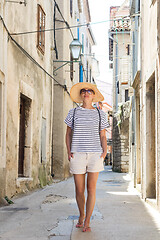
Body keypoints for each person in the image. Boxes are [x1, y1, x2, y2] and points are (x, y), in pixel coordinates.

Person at [64, 82, 109, 232]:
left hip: (95, 155)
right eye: (84, 91)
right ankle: (81, 215)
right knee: (79, 189)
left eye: (90, 91)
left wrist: (104, 151)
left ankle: (88, 221)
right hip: (77, 154)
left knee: (91, 189)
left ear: (94, 95)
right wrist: (69, 150)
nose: (87, 93)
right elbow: (68, 134)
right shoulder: (73, 112)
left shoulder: (100, 114)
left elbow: (102, 135)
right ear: (81, 95)